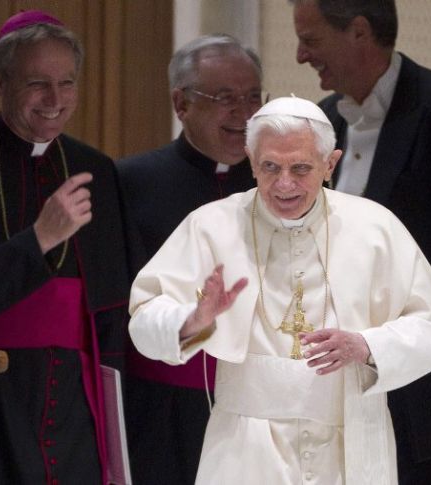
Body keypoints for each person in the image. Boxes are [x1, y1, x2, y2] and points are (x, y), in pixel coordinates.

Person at [128, 96, 431, 485]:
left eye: (300, 168)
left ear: (330, 164)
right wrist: (191, 320)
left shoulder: (375, 228)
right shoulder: (210, 226)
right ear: (251, 161)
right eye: (270, 167)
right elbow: (144, 320)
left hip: (348, 443)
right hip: (246, 451)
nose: (284, 184)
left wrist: (367, 346)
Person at [290, 1, 431, 483]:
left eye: (311, 40)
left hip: (426, 402)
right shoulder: (321, 121)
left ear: (359, 32)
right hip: (332, 395)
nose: (299, 55)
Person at [0, 10, 130, 485]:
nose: (55, 100)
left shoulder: (95, 168)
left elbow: (111, 309)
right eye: (37, 84)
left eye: (67, 83)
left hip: (74, 397)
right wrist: (41, 239)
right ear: (0, 82)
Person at [114, 34, 260, 485]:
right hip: (159, 407)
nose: (244, 112)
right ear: (181, 103)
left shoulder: (283, 187)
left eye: (254, 96)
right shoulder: (129, 182)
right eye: (225, 98)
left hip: (255, 404)